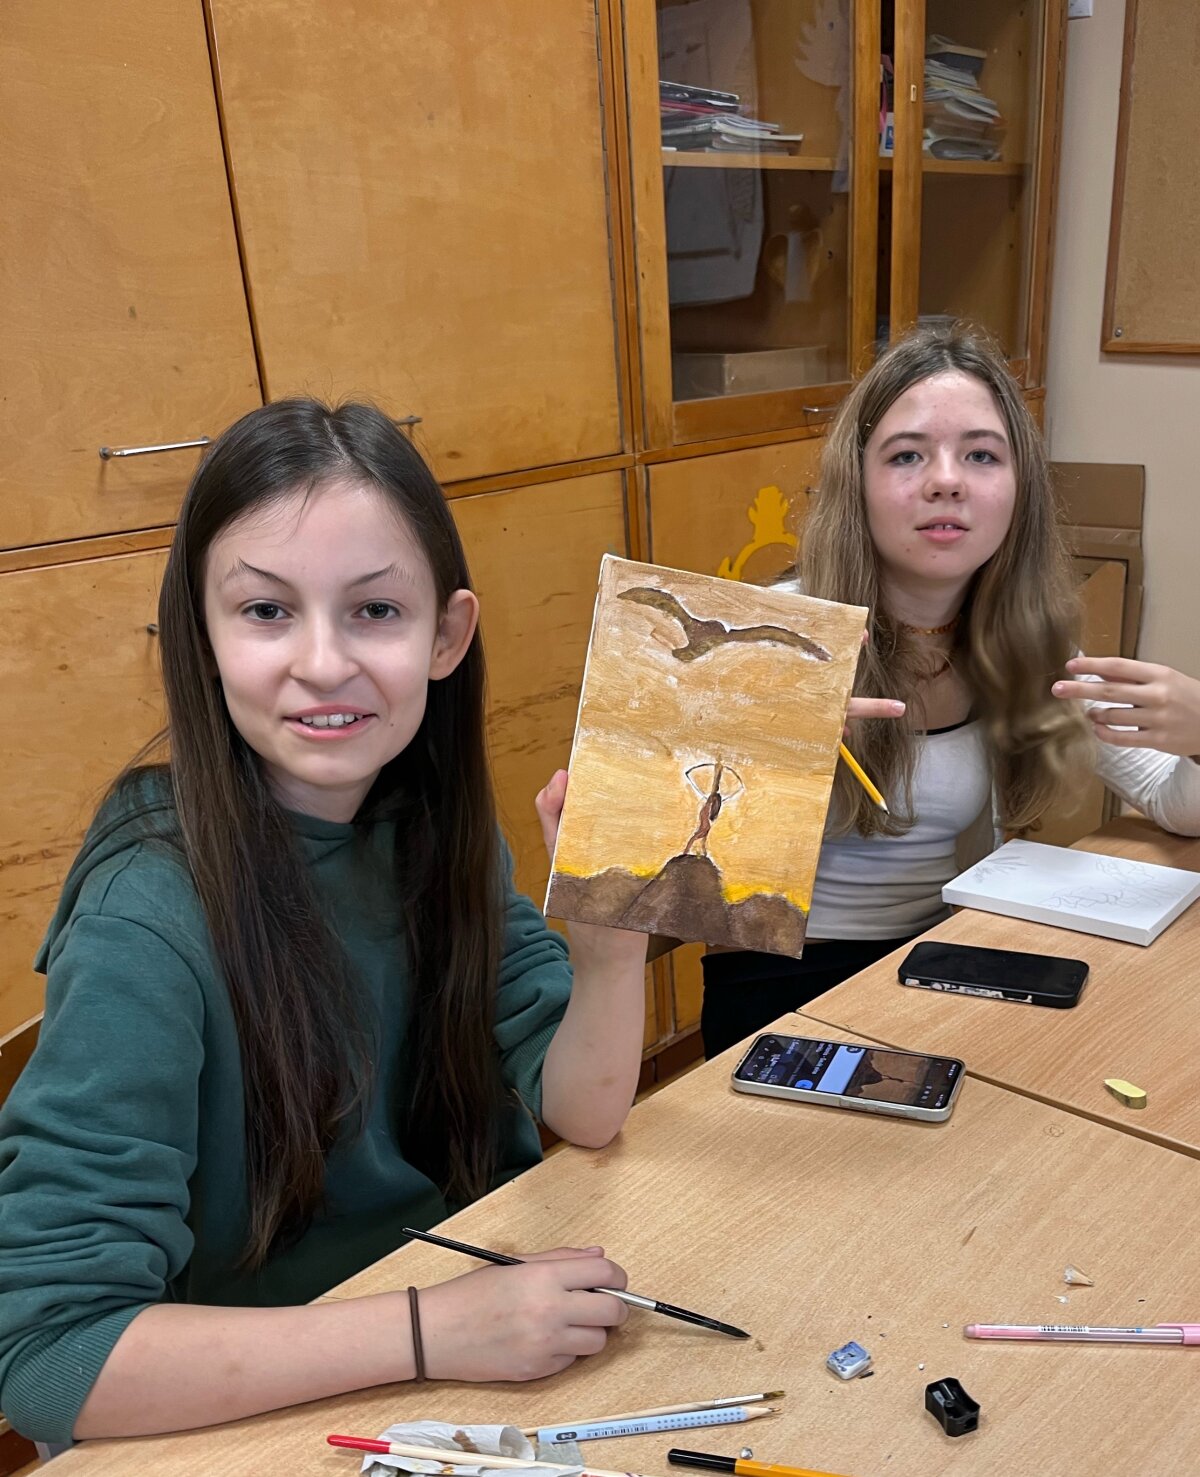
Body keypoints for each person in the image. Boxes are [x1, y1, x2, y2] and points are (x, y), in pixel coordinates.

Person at [0, 400, 649, 1443]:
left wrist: (610, 948)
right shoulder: (146, 916)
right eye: (266, 610)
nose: (322, 661)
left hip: (461, 1354)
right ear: (200, 638)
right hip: (263, 1410)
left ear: (446, 635)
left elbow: (585, 1109)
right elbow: (48, 1356)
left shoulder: (431, 820)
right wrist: (432, 1330)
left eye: (374, 610)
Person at [701, 324, 1200, 1057]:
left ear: (1018, 490)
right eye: (907, 455)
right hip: (784, 983)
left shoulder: (1028, 640)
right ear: (857, 483)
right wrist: (759, 761)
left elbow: (1174, 804)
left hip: (945, 959)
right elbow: (661, 853)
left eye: (981, 455)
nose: (946, 481)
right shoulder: (777, 635)